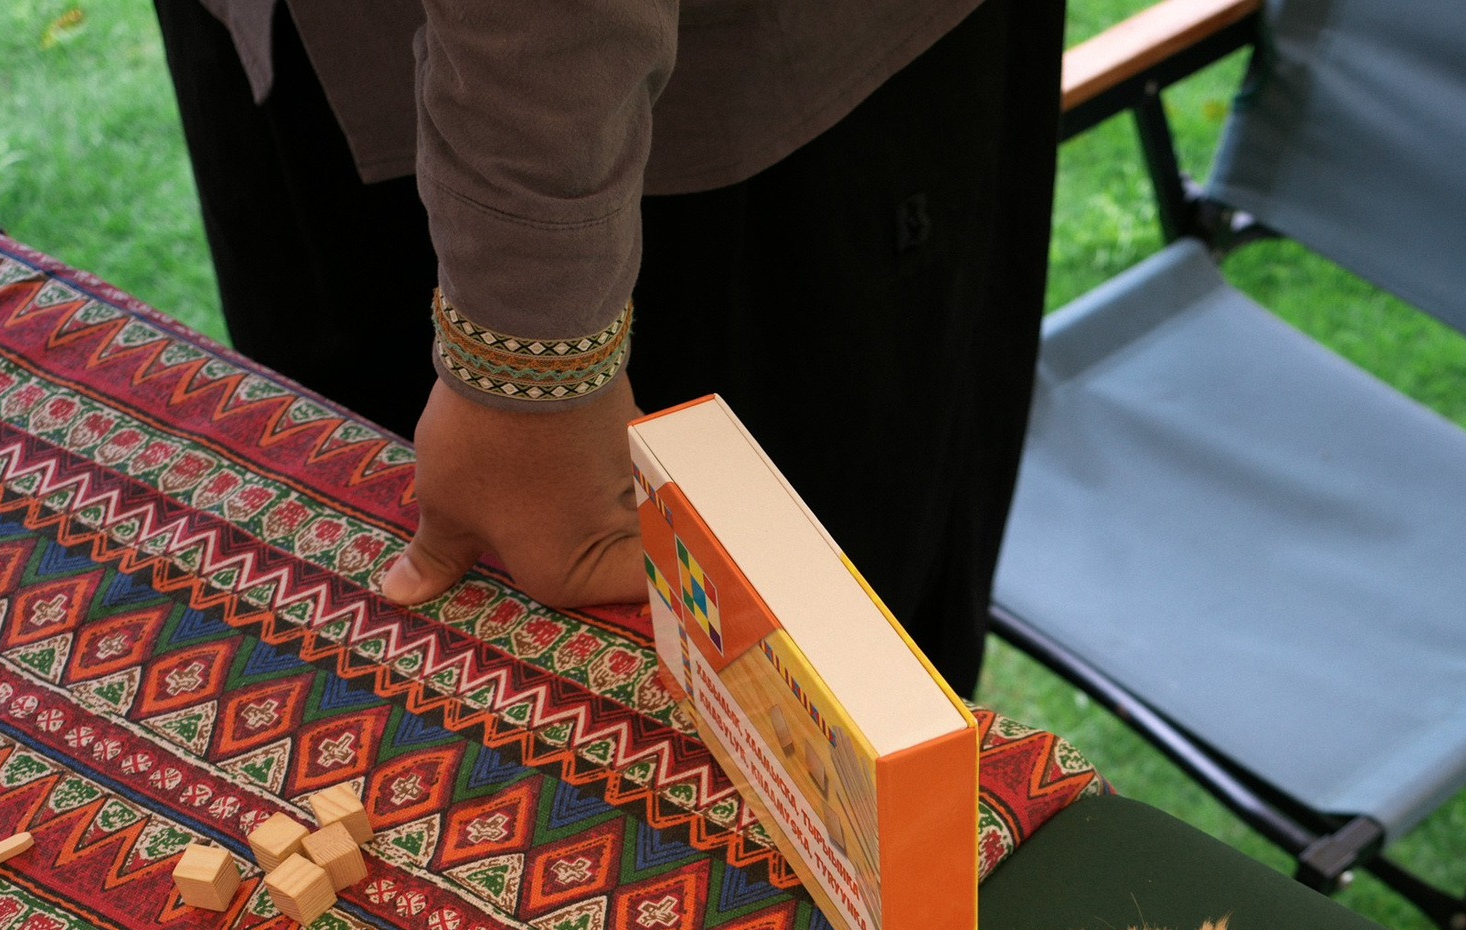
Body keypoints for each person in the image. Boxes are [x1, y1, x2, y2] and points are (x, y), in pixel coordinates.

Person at [152, 0, 1066, 695]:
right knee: (375, 688)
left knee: (824, 739)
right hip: (299, 59)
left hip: (715, 118)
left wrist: (530, 346)